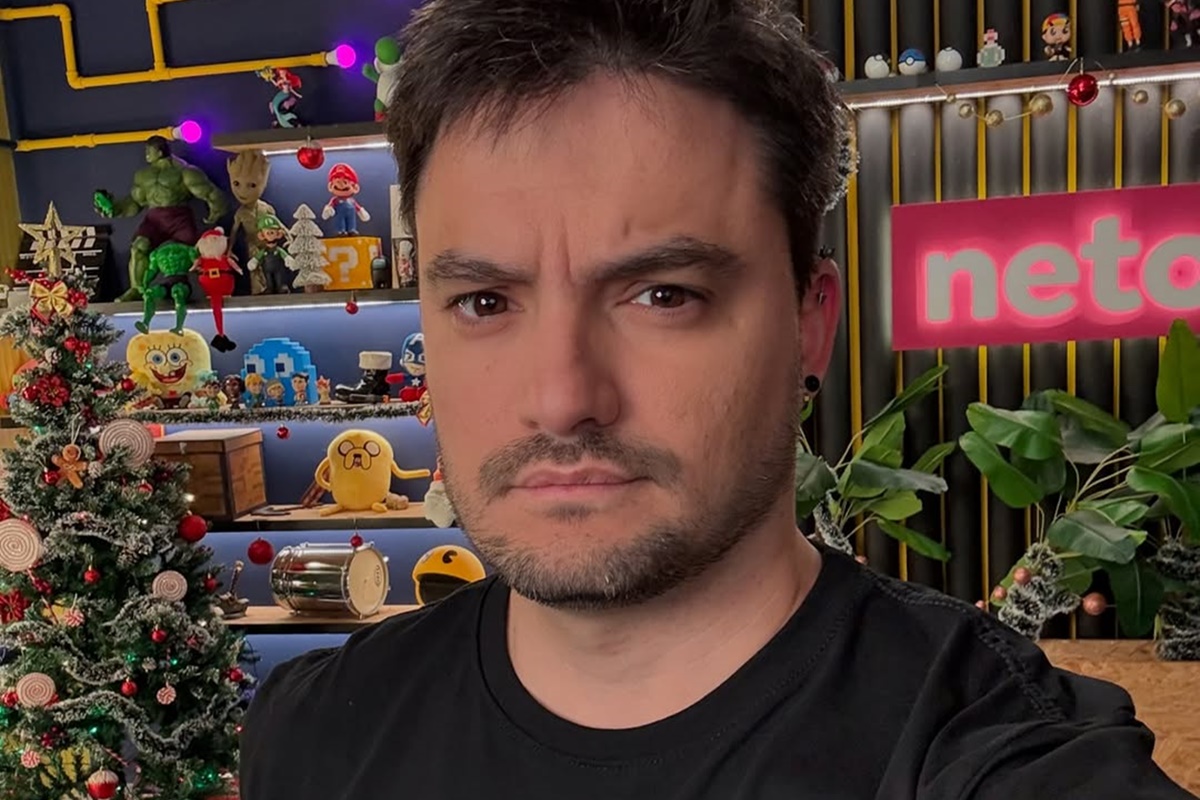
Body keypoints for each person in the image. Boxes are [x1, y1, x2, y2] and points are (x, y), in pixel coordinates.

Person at [239, 1, 1197, 798]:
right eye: (485, 302)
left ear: (810, 321)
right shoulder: (315, 734)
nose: (563, 399)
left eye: (664, 296)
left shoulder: (988, 752)